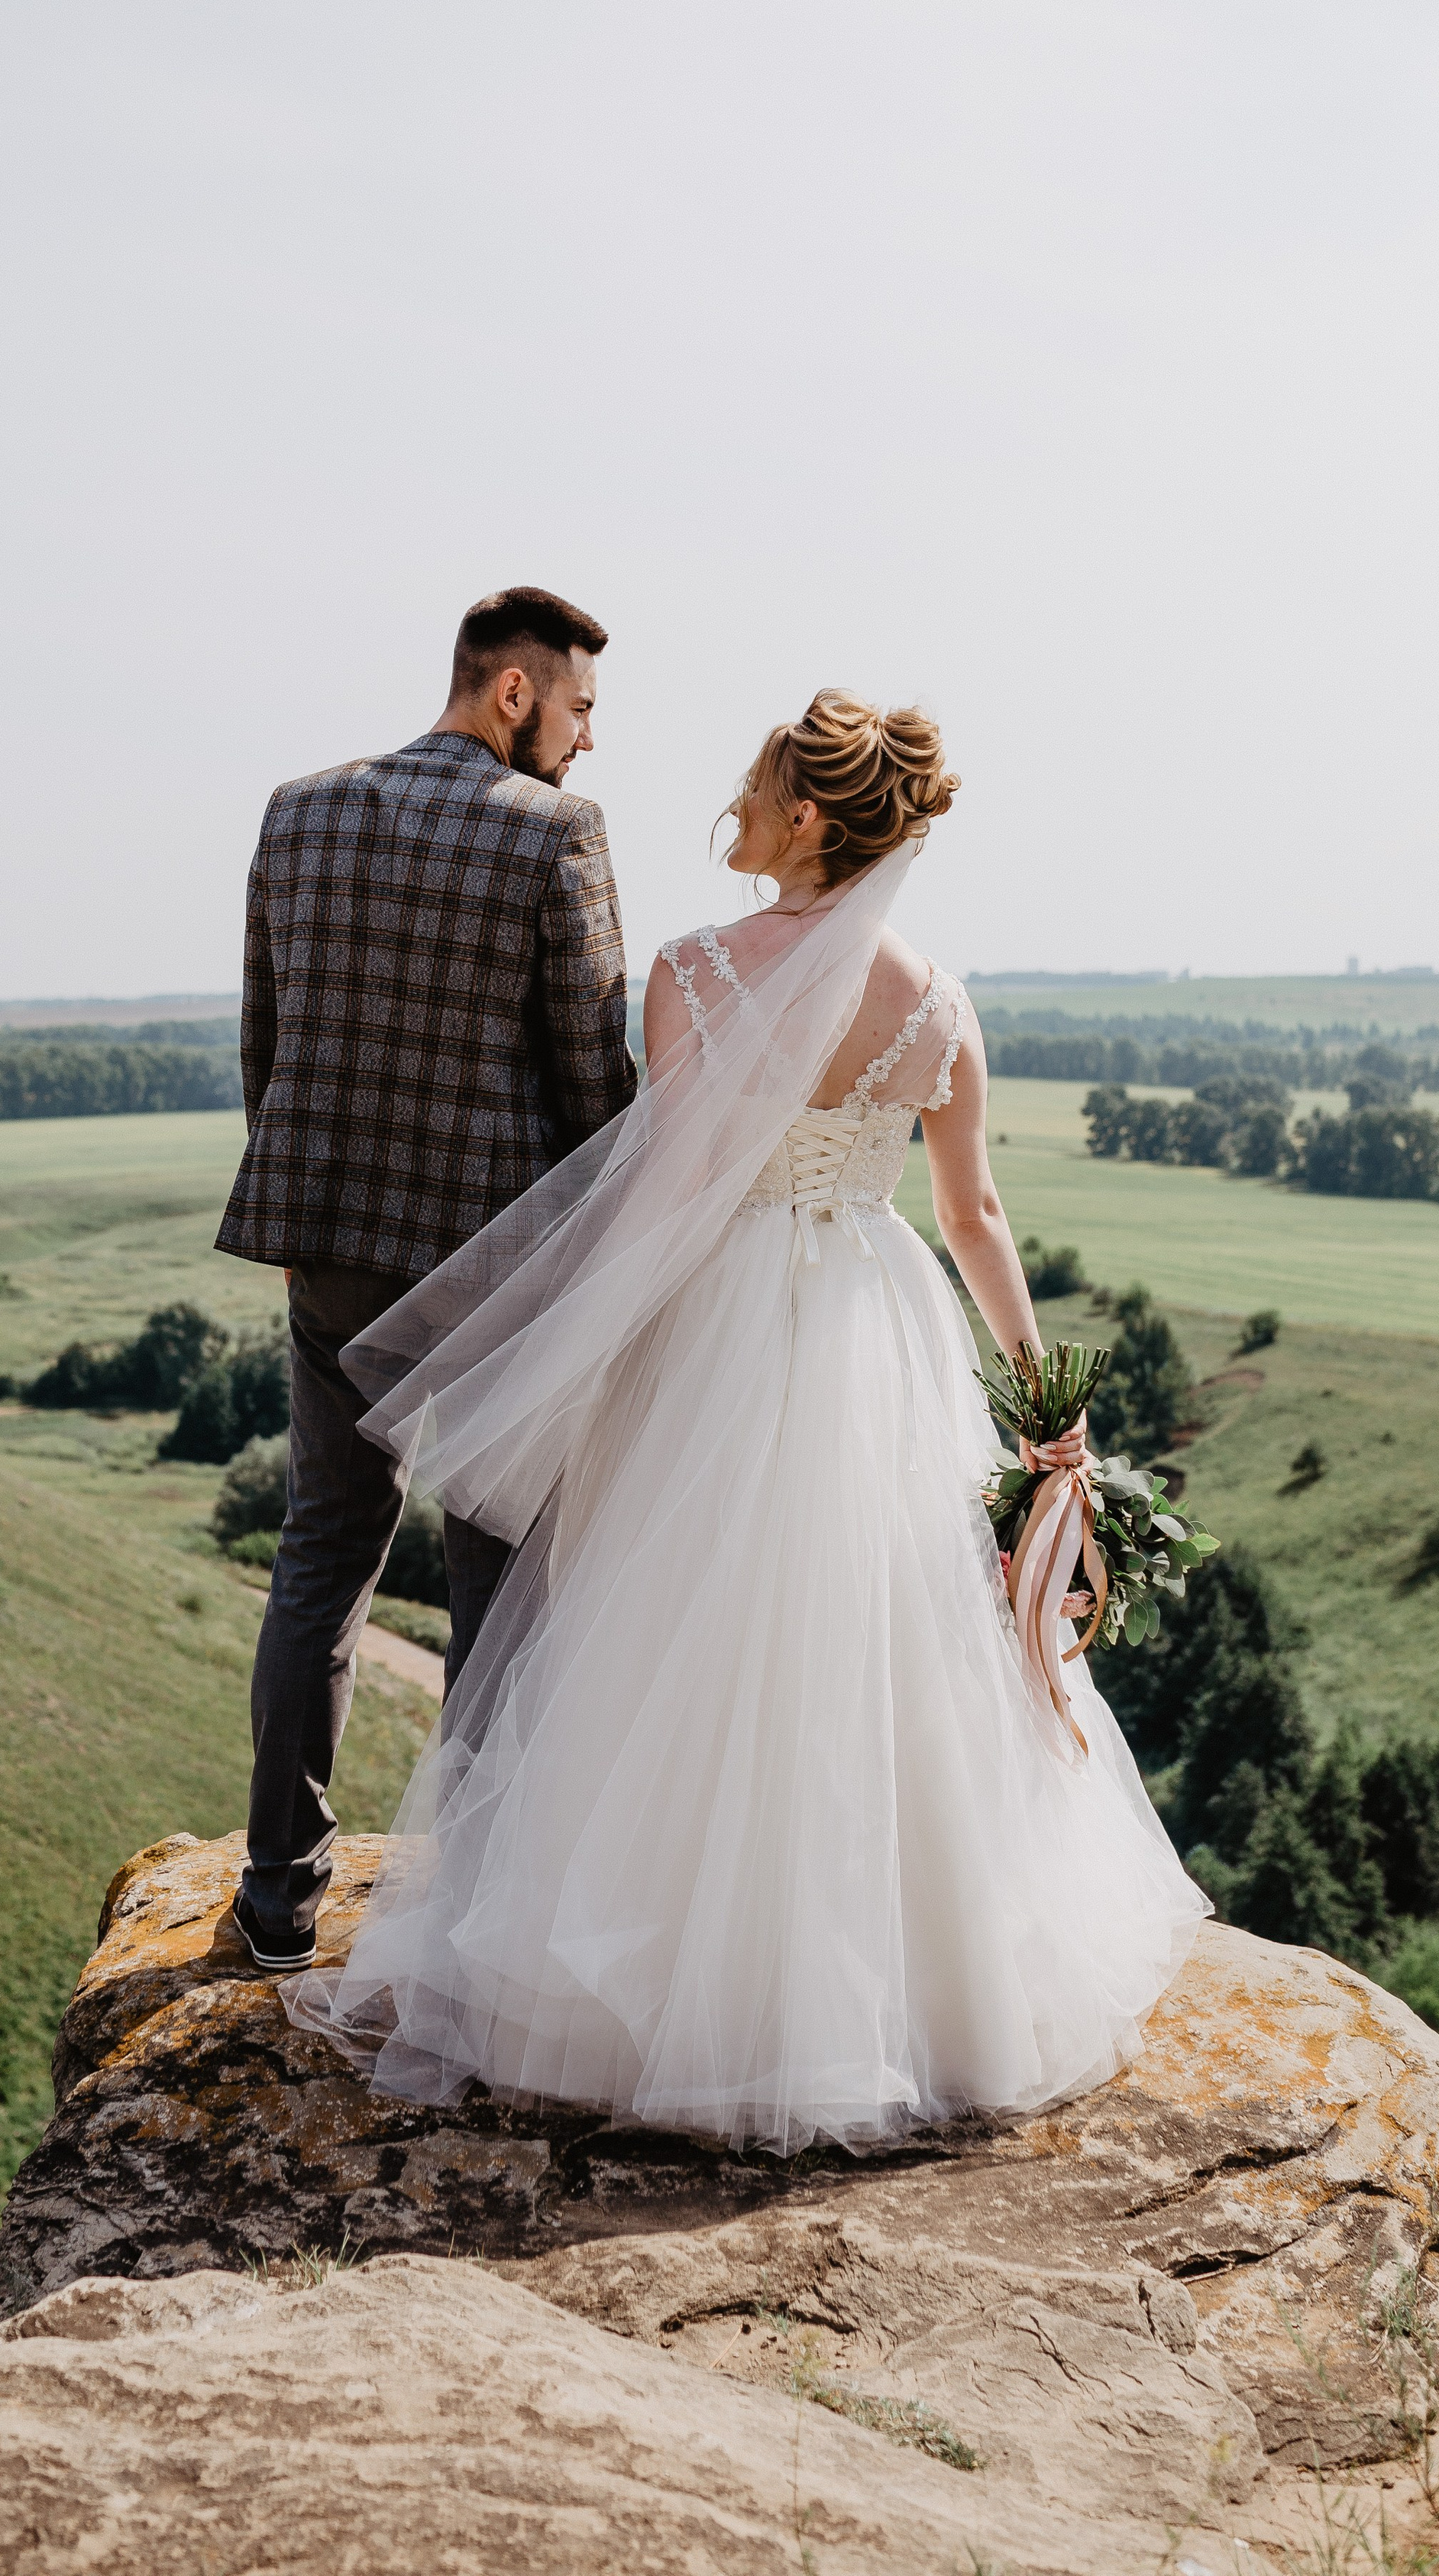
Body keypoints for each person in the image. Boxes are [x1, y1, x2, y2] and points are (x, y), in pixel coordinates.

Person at [289, 690, 1208, 2151]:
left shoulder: (691, 971)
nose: (741, 791)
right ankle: (900, 1993)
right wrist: (1046, 1409)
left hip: (721, 1318)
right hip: (871, 1314)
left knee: (669, 1636)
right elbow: (973, 1214)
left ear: (812, 817)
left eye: (764, 777)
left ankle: (648, 1990)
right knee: (875, 1643)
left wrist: (574, 1348)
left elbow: (664, 1193)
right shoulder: (939, 1001)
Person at [216, 585, 639, 1973]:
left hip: (328, 1242)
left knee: (321, 1553)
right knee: (498, 1578)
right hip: (493, 1266)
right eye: (578, 708)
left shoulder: (298, 807)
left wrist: (318, 1197)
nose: (587, 743)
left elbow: (265, 1041)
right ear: (513, 693)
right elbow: (590, 1079)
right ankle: (472, 1910)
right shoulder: (553, 832)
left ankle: (276, 1894)